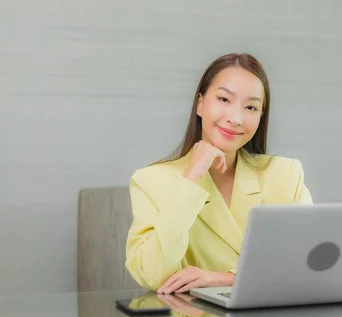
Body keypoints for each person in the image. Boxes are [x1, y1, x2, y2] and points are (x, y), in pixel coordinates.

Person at [125, 52, 312, 294]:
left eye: (251, 107)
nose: (235, 118)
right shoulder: (151, 181)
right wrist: (190, 179)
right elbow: (150, 275)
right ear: (200, 104)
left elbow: (307, 264)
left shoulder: (285, 174)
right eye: (224, 99)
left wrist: (225, 278)